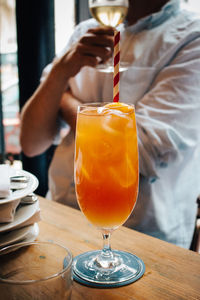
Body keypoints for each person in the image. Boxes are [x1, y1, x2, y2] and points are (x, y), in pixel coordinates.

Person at [20, 0, 200, 249]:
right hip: (60, 217)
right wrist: (60, 72)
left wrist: (68, 100)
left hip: (142, 238)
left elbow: (140, 148)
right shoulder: (84, 33)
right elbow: (30, 143)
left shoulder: (192, 37)